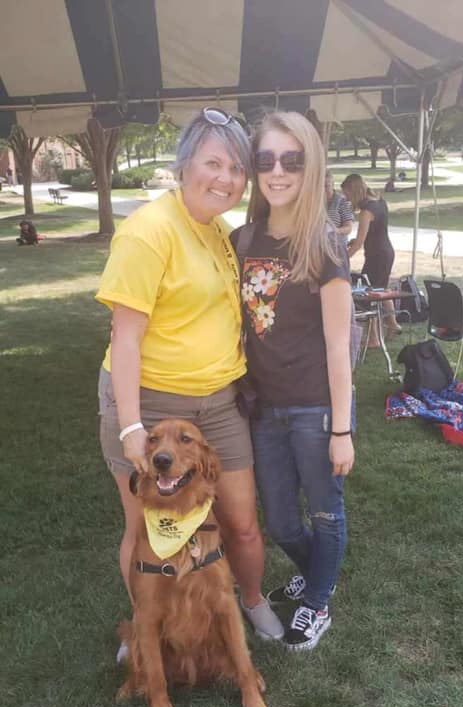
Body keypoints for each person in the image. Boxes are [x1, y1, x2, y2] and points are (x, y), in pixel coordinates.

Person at [96, 107, 283, 643]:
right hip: (151, 404)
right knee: (146, 529)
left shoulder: (219, 230)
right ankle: (146, 630)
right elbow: (125, 337)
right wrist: (132, 426)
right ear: (185, 166)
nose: (226, 178)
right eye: (213, 163)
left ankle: (251, 600)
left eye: (237, 169)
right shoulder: (148, 232)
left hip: (219, 404)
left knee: (241, 520)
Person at [230, 112, 354, 652]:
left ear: (311, 166)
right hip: (263, 410)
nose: (277, 172)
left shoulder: (325, 245)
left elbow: (338, 345)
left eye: (292, 160)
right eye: (266, 160)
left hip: (315, 409)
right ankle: (319, 574)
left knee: (325, 513)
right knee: (280, 522)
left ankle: (318, 601)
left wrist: (342, 430)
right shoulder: (241, 240)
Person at [341, 173, 401, 345]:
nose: (347, 199)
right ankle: (393, 324)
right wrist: (356, 241)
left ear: (354, 191)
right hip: (386, 252)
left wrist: (343, 259)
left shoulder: (366, 212)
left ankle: (374, 338)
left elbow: (359, 243)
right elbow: (375, 231)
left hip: (377, 256)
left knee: (370, 294)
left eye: (347, 194)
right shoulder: (380, 202)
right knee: (381, 289)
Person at [325, 169, 354, 240]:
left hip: (336, 244)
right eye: (320, 186)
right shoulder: (313, 202)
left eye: (326, 186)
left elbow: (349, 227)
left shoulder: (342, 202)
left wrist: (336, 230)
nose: (323, 189)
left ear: (333, 184)